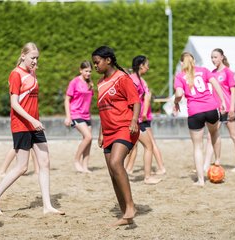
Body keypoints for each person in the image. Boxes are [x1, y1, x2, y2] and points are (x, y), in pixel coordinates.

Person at [0, 42, 64, 215]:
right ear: (23, 56)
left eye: (37, 58)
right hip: (22, 125)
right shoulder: (15, 74)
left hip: (34, 124)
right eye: (32, 57)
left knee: (45, 162)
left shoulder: (32, 72)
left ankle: (47, 206)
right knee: (22, 167)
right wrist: (32, 120)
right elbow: (14, 104)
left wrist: (33, 71)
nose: (35, 61)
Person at [92, 46, 139, 226]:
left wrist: (134, 120)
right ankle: (125, 214)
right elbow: (103, 110)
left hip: (125, 127)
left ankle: (130, 206)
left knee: (115, 163)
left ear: (108, 60)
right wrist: (101, 132)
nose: (95, 66)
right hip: (108, 131)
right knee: (113, 172)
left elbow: (135, 101)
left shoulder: (122, 78)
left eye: (97, 62)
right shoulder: (101, 83)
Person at [173, 52, 226, 186]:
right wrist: (223, 101)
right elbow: (216, 85)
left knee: (197, 147)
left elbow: (179, 94)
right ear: (194, 61)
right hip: (211, 108)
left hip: (195, 112)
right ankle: (217, 160)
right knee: (214, 133)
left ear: (181, 64)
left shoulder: (179, 76)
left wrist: (176, 102)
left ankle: (201, 180)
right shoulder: (204, 71)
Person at [124, 55, 166, 181]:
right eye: (147, 65)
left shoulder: (139, 80)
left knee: (140, 146)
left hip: (137, 120)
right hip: (134, 120)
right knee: (145, 146)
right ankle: (146, 177)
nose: (148, 67)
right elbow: (130, 101)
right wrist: (136, 118)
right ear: (141, 65)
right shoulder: (133, 80)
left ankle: (128, 172)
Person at [203, 48, 235, 173]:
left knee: (234, 135)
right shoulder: (212, 73)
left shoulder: (228, 72)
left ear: (221, 57)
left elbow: (233, 91)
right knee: (211, 136)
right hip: (216, 109)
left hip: (228, 109)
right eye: (212, 57)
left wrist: (231, 108)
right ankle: (206, 164)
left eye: (215, 57)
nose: (213, 59)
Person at [64, 61, 94, 173]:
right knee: (88, 137)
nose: (88, 73)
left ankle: (85, 166)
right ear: (80, 70)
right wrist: (68, 117)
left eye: (90, 71)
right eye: (86, 71)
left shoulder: (90, 83)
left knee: (89, 141)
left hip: (87, 115)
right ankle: (76, 160)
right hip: (76, 114)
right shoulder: (74, 82)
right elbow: (67, 100)